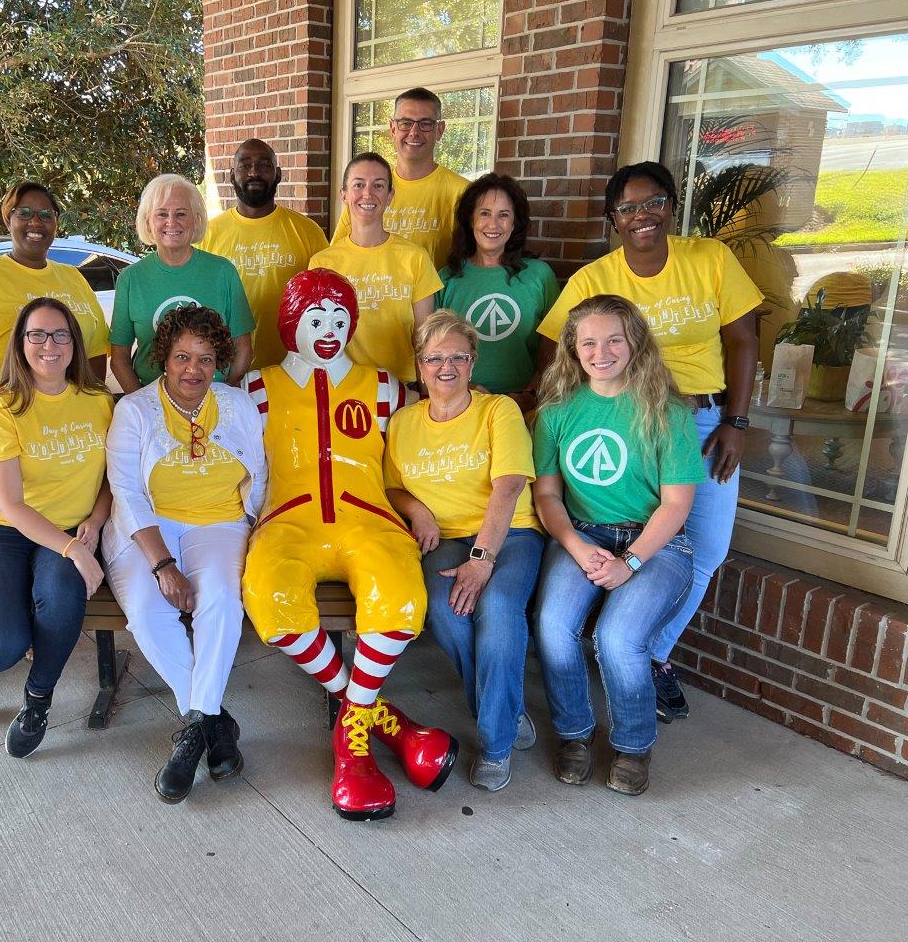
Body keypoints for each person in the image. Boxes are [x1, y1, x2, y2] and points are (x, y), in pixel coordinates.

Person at [536, 162, 761, 723]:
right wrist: (564, 406)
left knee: (705, 549)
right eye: (629, 208)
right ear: (614, 219)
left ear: (671, 206)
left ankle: (652, 655)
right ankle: (626, 650)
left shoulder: (708, 259)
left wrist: (736, 420)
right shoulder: (595, 277)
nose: (642, 216)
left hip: (702, 420)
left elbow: (743, 338)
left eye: (653, 203)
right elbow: (554, 344)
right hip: (620, 418)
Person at [242, 268, 457, 822]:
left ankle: (351, 743)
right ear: (292, 323)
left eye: (341, 317)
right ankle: (388, 723)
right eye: (316, 317)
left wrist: (418, 508)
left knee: (401, 594)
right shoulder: (256, 388)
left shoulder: (386, 387)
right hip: (287, 521)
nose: (329, 328)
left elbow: (408, 459)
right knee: (270, 595)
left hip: (370, 518)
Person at [532, 294, 705, 796]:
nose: (600, 352)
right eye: (588, 342)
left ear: (635, 343)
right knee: (554, 625)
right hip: (580, 532)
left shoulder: (667, 411)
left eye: (613, 340)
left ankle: (633, 744)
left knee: (618, 637)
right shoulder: (558, 411)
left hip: (656, 542)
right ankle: (574, 734)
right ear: (573, 348)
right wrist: (577, 546)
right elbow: (547, 493)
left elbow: (675, 505)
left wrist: (630, 561)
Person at [104, 306, 266, 803]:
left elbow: (260, 475)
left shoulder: (237, 405)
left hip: (218, 520)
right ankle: (212, 721)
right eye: (181, 357)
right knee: (148, 612)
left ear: (218, 361)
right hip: (148, 528)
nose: (192, 369)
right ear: (163, 360)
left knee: (219, 596)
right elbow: (126, 492)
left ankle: (194, 730)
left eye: (204, 358)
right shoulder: (134, 410)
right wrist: (162, 564)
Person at [0, 298, 112, 759]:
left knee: (61, 599)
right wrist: (75, 550)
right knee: (5, 644)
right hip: (3, 531)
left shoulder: (99, 403)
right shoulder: (1, 409)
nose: (49, 345)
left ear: (74, 344)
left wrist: (93, 525)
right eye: (37, 334)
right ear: (20, 344)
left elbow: (112, 481)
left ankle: (38, 700)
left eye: (60, 335)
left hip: (68, 531)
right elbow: (12, 504)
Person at [384, 310, 545, 792]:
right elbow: (391, 487)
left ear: (473, 363)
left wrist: (481, 559)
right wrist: (419, 510)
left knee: (497, 612)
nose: (445, 367)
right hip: (443, 537)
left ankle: (496, 745)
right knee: (444, 612)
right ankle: (508, 709)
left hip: (509, 535)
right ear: (420, 363)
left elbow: (510, 485)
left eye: (457, 356)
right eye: (435, 357)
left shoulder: (498, 411)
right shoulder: (403, 423)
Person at [0, 181, 110, 483]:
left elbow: (94, 350)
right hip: (4, 425)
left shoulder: (73, 278)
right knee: (14, 522)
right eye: (25, 212)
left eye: (46, 214)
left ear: (56, 222)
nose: (36, 222)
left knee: (69, 515)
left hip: (69, 426)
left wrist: (87, 407)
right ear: (8, 218)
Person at [110, 174, 255, 392]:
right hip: (153, 402)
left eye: (181, 213)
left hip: (212, 401)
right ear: (148, 222)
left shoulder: (223, 272)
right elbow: (119, 359)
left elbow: (243, 347)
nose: (171, 222)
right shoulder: (130, 279)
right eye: (161, 214)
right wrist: (144, 404)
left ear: (196, 220)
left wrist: (224, 393)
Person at [309, 153, 442, 386]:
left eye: (378, 185)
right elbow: (315, 334)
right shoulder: (322, 264)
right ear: (344, 195)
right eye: (358, 185)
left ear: (390, 196)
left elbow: (424, 337)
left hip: (402, 386)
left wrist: (425, 392)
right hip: (342, 385)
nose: (368, 194)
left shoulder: (415, 257)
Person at [198, 138, 329, 369]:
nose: (254, 172)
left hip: (294, 369)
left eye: (264, 165)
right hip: (226, 372)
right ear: (231, 175)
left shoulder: (308, 232)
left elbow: (326, 302)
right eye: (244, 165)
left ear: (278, 174)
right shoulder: (208, 235)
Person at [437, 173, 558, 413]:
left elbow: (554, 350)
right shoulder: (447, 279)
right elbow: (433, 353)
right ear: (470, 220)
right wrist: (465, 391)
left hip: (524, 407)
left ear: (515, 224)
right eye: (484, 213)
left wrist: (528, 395)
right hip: (461, 406)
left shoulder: (539, 275)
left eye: (503, 215)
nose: (493, 224)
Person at [332, 87, 469, 269]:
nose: (414, 132)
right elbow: (338, 255)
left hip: (432, 297)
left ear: (440, 130)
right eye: (406, 123)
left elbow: (470, 265)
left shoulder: (462, 192)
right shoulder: (369, 189)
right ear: (393, 128)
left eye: (425, 123)